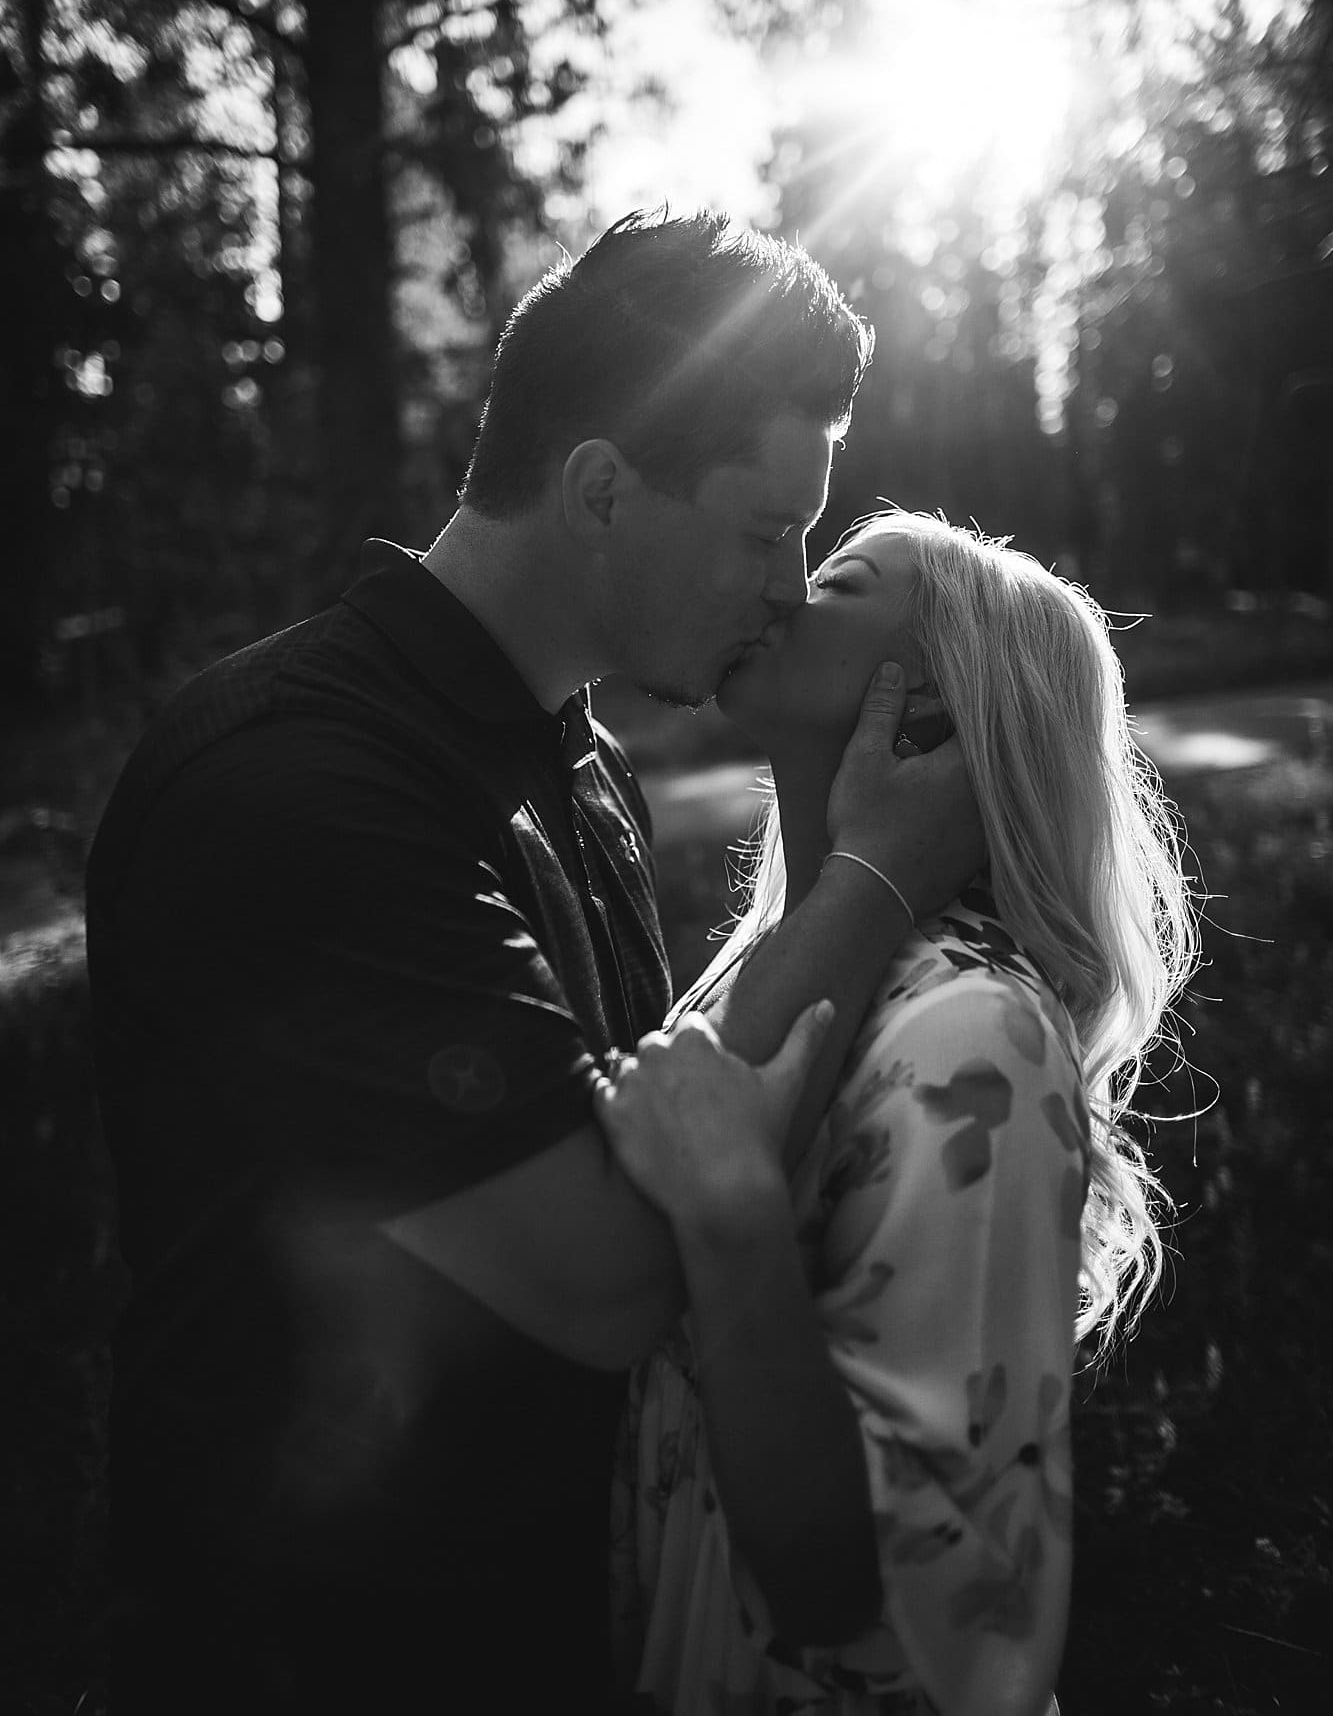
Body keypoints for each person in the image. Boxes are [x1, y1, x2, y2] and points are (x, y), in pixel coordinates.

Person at [85, 213, 982, 1714]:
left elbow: (669, 1124)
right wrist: (881, 877)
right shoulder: (300, 792)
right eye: (766, 530)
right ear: (599, 490)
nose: (789, 586)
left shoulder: (570, 763)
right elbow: (618, 1272)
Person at [598, 509, 1199, 1716]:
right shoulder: (776, 965)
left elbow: (875, 1587)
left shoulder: (972, 1035)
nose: (781, 587)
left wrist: (737, 1226)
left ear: (929, 703)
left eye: (840, 579)